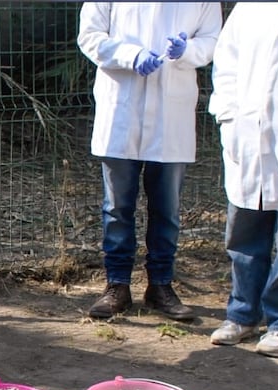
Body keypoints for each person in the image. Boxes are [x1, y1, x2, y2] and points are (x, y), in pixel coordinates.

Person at [77, 3, 222, 321]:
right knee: (117, 208)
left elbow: (213, 40)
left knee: (166, 210)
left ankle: (160, 286)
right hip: (121, 110)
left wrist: (187, 51)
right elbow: (89, 35)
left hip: (171, 114)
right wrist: (130, 55)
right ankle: (117, 286)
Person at [207, 3, 278, 357]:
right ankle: (242, 315)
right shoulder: (250, 8)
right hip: (248, 141)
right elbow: (227, 63)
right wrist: (228, 115)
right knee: (243, 237)